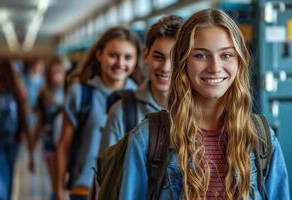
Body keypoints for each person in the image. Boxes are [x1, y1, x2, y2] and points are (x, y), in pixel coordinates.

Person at [119, 8, 290, 200]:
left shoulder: (261, 138)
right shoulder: (146, 140)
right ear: (182, 62)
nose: (215, 67)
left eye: (226, 55)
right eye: (200, 55)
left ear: (239, 61)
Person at [55, 26, 141, 200]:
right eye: (113, 55)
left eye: (128, 57)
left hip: (121, 192)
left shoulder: (139, 97)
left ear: (136, 60)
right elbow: (64, 144)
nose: (120, 63)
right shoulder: (80, 93)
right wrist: (58, 189)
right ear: (99, 54)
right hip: (83, 190)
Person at [99, 15, 184, 151]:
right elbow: (106, 171)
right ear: (145, 56)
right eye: (158, 57)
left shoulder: (201, 112)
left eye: (175, 59)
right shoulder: (121, 112)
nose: (165, 68)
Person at [0, 59, 32, 200]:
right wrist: (30, 148)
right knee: (10, 174)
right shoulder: (18, 92)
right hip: (14, 140)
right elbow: (24, 119)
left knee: (1, 176)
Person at [32, 58, 66, 200]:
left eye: (59, 72)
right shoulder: (43, 95)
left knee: (63, 183)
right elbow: (39, 123)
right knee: (55, 184)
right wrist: (31, 150)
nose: (56, 76)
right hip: (49, 143)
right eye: (53, 73)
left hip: (65, 144)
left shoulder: (70, 92)